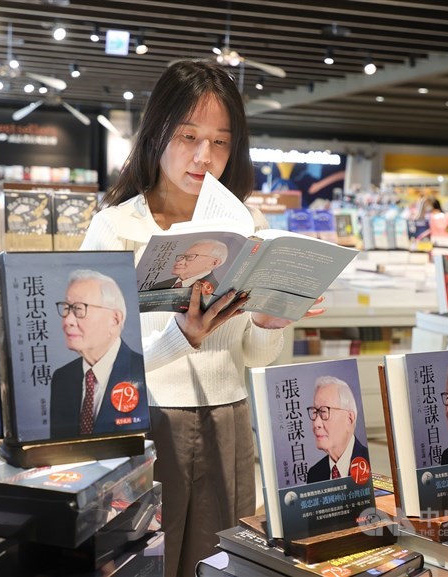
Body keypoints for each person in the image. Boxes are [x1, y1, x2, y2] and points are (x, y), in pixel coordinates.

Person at [79, 60, 325, 577]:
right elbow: (92, 361)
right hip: (147, 422)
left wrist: (268, 324)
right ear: (156, 133)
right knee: (144, 562)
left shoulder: (246, 225)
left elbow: (250, 357)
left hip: (228, 417)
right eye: (188, 135)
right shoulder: (116, 227)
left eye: (220, 141)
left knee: (219, 564)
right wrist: (179, 337)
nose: (203, 156)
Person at [50, 269, 146, 439]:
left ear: (115, 319)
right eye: (66, 308)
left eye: (79, 309)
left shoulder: (141, 372)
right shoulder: (62, 378)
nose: (68, 321)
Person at [305, 376, 368, 483]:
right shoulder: (314, 474)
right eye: (315, 412)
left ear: (349, 418)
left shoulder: (369, 463)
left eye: (324, 412)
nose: (316, 423)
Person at [148, 239, 228, 292]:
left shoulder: (216, 292)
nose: (180, 262)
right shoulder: (159, 286)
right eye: (183, 256)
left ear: (213, 263)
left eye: (190, 257)